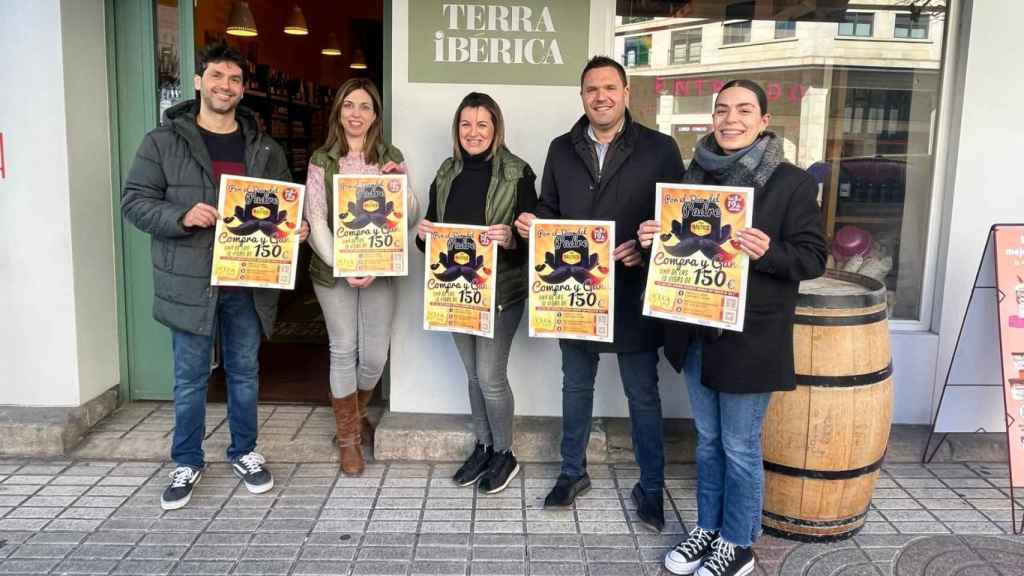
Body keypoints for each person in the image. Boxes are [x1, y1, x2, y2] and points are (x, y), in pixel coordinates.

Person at [639, 79, 826, 576]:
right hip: (697, 328)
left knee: (739, 445)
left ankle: (738, 542)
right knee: (707, 440)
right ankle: (708, 528)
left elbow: (812, 259)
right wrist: (651, 236)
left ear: (764, 121)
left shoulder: (791, 182)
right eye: (722, 110)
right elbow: (678, 248)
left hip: (750, 336)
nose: (731, 119)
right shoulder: (691, 178)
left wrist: (769, 252)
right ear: (712, 119)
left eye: (744, 110)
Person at [122, 43, 308, 510]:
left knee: (245, 371)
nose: (225, 86)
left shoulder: (264, 147)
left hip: (246, 278)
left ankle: (244, 451)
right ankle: (187, 460)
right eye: (217, 77)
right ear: (200, 82)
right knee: (189, 377)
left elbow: (286, 201)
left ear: (243, 90)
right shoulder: (163, 142)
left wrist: (296, 228)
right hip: (189, 280)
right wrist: (183, 215)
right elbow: (134, 202)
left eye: (234, 80)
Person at [514, 56, 690, 531]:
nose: (601, 96)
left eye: (610, 87)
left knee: (642, 393)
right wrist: (534, 222)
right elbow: (548, 207)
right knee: (575, 385)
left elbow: (676, 217)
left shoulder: (660, 148)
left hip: (632, 289)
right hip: (574, 294)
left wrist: (646, 247)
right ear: (582, 95)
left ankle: (651, 487)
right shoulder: (560, 148)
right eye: (592, 88)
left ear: (627, 92)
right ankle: (572, 473)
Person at [416, 92, 537, 494]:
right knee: (472, 376)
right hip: (455, 291)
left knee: (490, 377)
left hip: (501, 292)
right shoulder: (447, 172)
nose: (473, 132)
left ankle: (506, 454)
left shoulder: (518, 173)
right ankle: (484, 446)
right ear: (457, 130)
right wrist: (422, 234)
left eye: (482, 124)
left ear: (496, 128)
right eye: (466, 124)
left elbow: (535, 242)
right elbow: (432, 236)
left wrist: (512, 239)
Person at [304, 78, 416, 476]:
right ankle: (349, 439)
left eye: (364, 106)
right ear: (338, 111)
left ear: (375, 115)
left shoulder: (390, 155)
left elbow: (410, 215)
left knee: (373, 356)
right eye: (348, 105)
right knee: (343, 348)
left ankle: (357, 412)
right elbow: (315, 219)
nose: (356, 113)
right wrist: (346, 263)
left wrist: (401, 180)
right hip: (332, 270)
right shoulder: (322, 159)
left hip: (380, 269)